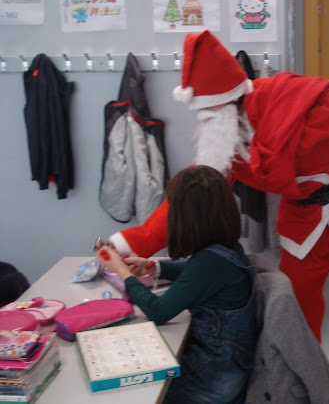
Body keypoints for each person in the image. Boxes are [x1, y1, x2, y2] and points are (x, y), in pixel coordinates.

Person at [107, 30, 329, 404]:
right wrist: (132, 242)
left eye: (209, 113)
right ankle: (302, 373)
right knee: (293, 306)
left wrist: (282, 145)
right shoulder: (225, 140)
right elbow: (191, 198)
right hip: (306, 219)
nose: (206, 123)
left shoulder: (281, 92)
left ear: (230, 101)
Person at [98, 165, 257, 404]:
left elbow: (158, 312)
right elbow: (196, 275)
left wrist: (123, 273)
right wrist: (154, 267)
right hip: (226, 363)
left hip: (214, 375)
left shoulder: (209, 262)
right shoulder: (227, 249)